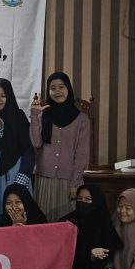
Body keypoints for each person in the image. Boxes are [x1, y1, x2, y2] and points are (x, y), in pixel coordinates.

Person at [30, 72, 90, 219]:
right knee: (44, 223)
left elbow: (82, 155)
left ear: (68, 88)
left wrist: (75, 184)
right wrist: (34, 115)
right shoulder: (43, 115)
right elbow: (36, 143)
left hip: (69, 180)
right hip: (44, 179)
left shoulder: (82, 119)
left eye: (61, 87)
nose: (57, 91)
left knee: (67, 223)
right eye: (53, 88)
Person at [0, 78, 34, 223]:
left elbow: (28, 149)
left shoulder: (19, 116)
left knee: (17, 213)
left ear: (9, 97)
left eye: (3, 95)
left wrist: (22, 177)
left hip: (16, 172)